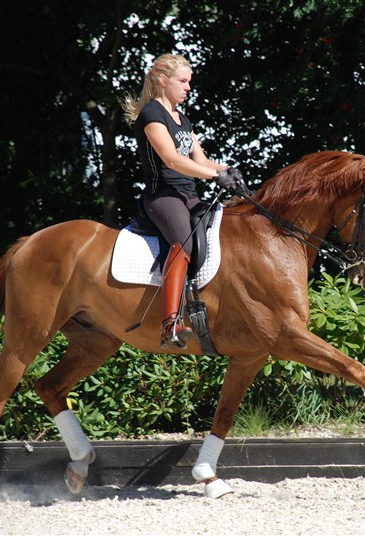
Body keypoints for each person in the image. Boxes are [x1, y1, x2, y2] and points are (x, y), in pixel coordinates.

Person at [123, 53, 241, 349]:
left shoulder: (182, 118)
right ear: (163, 80)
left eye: (189, 82)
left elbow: (200, 159)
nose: (188, 87)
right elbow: (172, 160)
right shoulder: (152, 114)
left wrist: (228, 171)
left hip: (189, 195)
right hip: (162, 197)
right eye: (183, 81)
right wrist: (214, 178)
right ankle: (169, 326)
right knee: (184, 242)